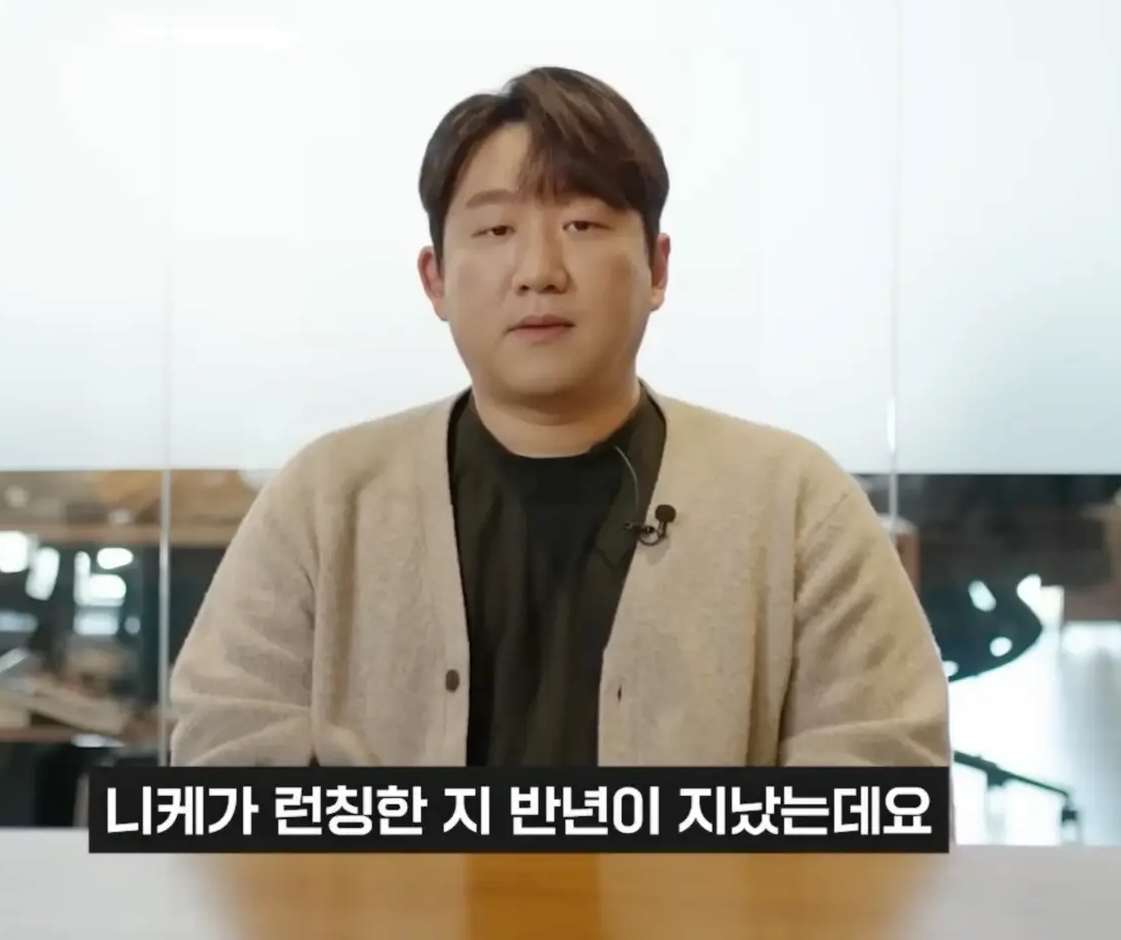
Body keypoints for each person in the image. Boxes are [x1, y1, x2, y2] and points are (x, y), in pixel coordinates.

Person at [168, 66, 949, 767]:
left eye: (582, 225)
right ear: (436, 280)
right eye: (496, 230)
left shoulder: (795, 502)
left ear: (657, 268)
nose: (539, 272)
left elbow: (884, 778)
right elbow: (222, 752)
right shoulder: (326, 499)